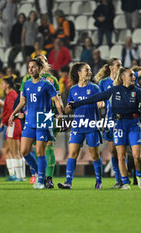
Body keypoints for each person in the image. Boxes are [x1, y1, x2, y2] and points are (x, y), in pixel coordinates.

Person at [70, 67, 141, 190]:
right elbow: (95, 98)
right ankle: (125, 182)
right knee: (121, 155)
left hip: (134, 124)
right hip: (119, 125)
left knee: (136, 155)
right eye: (131, 75)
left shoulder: (138, 91)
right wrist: (76, 104)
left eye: (134, 76)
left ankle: (139, 176)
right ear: (123, 77)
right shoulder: (114, 90)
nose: (134, 77)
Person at [9, 58, 63, 189]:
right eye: (29, 67)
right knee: (24, 150)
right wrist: (13, 113)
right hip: (30, 120)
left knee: (40, 151)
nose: (31, 69)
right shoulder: (27, 84)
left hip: (44, 119)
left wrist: (60, 114)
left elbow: (56, 100)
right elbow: (22, 102)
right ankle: (39, 172)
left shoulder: (47, 84)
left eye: (33, 67)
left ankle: (40, 180)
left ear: (39, 69)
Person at [57, 62, 104, 190]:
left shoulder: (94, 88)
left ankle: (99, 181)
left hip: (91, 125)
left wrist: (101, 104)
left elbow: (100, 103)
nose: (89, 72)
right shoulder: (73, 90)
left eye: (89, 70)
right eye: (86, 70)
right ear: (79, 73)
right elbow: (68, 110)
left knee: (94, 155)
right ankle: (68, 182)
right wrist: (65, 110)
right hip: (77, 126)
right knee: (72, 154)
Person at [95, 58, 122, 188]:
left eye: (121, 65)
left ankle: (125, 178)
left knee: (121, 150)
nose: (120, 67)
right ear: (111, 67)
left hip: (122, 120)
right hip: (109, 120)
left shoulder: (124, 80)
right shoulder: (103, 83)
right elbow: (99, 102)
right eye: (118, 65)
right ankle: (119, 179)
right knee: (113, 151)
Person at [1, 78, 25, 181]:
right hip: (14, 124)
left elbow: (11, 111)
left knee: (15, 151)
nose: (1, 85)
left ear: (7, 85)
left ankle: (19, 176)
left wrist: (4, 121)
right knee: (10, 150)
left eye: (2, 83)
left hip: (13, 124)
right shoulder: (12, 94)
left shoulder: (11, 95)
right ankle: (17, 175)